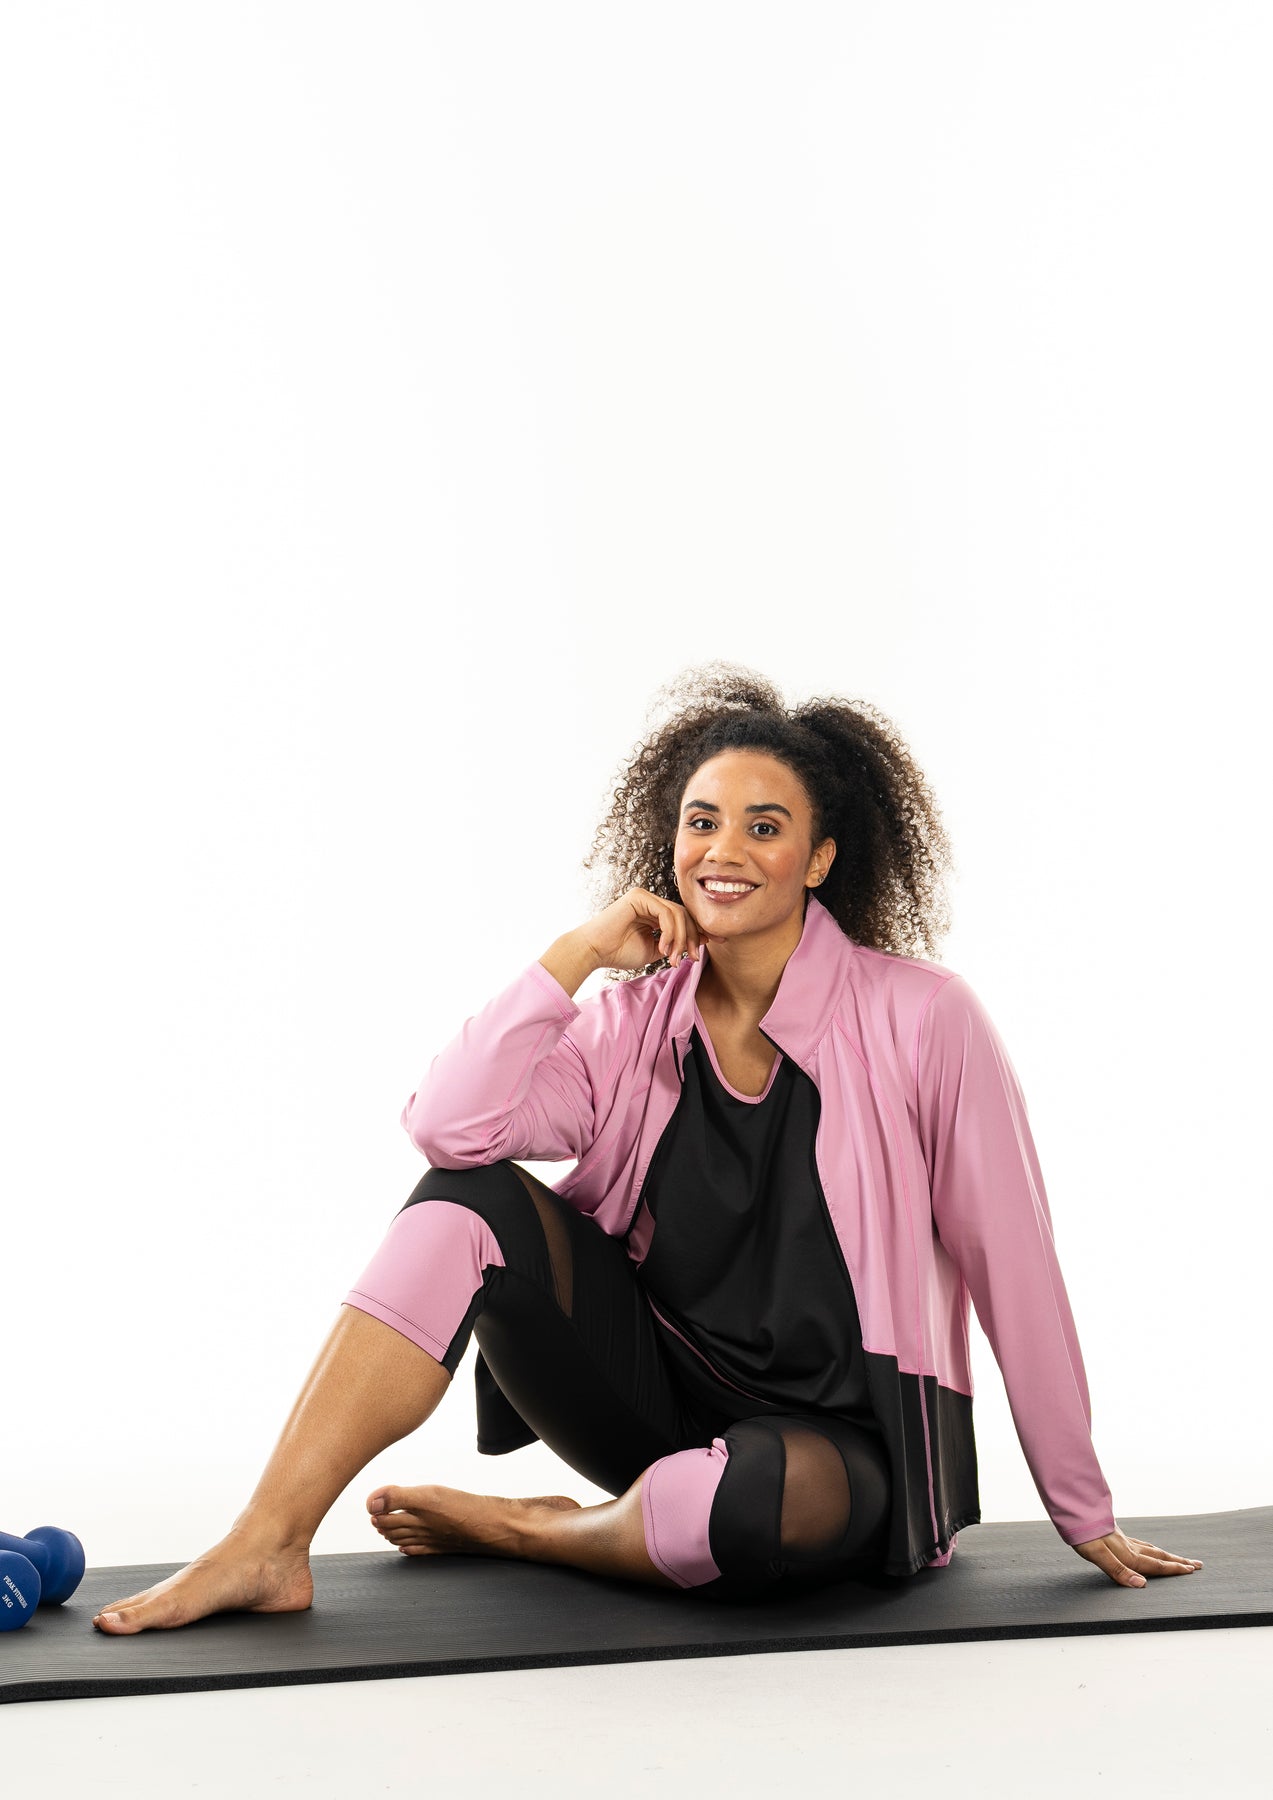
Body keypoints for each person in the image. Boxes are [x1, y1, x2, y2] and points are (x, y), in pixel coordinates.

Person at [92, 664, 1201, 1633]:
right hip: (654, 1398)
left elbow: (1011, 1256)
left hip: (842, 1442)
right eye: (701, 821)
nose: (723, 851)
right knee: (462, 1200)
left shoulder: (925, 1018)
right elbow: (451, 1129)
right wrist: (574, 955)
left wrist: (1082, 1509)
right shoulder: (628, 1023)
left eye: (763, 827)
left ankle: (540, 1530)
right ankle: (267, 1541)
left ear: (818, 858)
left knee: (752, 1508)